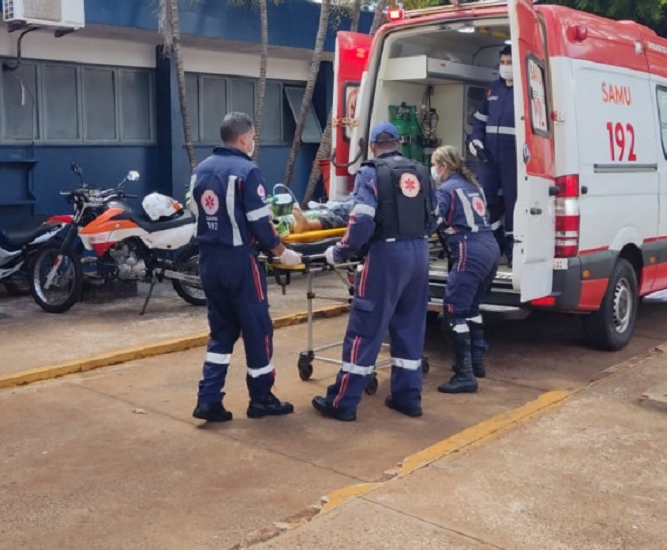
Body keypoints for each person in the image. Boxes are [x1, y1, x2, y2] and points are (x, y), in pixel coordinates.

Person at [312, 121, 433, 422]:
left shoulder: (371, 172)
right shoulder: (421, 171)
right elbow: (435, 217)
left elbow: (362, 220)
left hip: (387, 256)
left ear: (373, 146)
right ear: (398, 143)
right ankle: (407, 398)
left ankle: (343, 402)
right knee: (409, 327)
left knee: (366, 329)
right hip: (419, 253)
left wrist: (341, 250)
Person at [189, 112, 302, 423]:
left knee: (221, 331)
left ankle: (208, 399)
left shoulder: (199, 171)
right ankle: (261, 398)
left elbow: (195, 211)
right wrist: (282, 252)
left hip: (208, 260)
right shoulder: (247, 172)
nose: (253, 142)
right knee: (257, 329)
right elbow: (260, 222)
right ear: (242, 139)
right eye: (252, 137)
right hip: (239, 261)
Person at [430, 145, 498, 393]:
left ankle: (465, 374)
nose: (433, 170)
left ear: (444, 166)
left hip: (469, 250)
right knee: (471, 308)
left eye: (434, 165)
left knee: (452, 311)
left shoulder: (446, 190)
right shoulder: (474, 186)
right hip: (490, 248)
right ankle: (477, 361)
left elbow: (432, 222)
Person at [468, 44, 516, 263]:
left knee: (514, 203)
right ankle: (493, 242)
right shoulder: (492, 90)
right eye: (503, 63)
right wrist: (475, 139)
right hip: (488, 157)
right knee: (484, 198)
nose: (506, 67)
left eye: (510, 63)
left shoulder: (526, 91)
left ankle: (513, 248)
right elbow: (479, 119)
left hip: (514, 158)